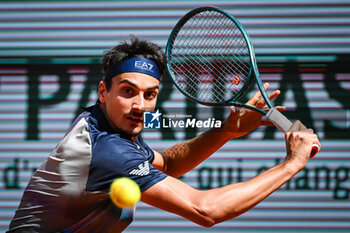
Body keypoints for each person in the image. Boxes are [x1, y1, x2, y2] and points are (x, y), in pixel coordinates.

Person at [8, 36, 321, 233]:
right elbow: (206, 210)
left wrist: (225, 131)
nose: (139, 105)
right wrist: (291, 164)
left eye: (150, 94)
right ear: (103, 91)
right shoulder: (108, 152)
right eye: (128, 91)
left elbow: (167, 164)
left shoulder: (105, 123)